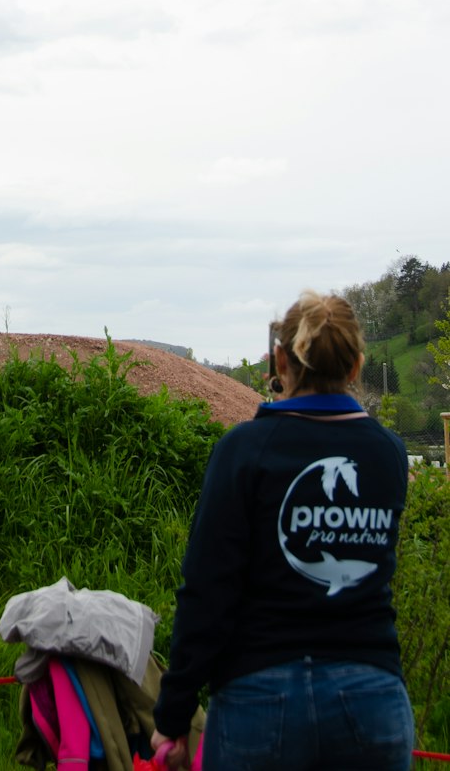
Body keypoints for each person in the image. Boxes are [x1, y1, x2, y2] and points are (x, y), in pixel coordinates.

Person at [151, 289, 414, 771]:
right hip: (372, 697)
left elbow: (207, 592)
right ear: (356, 367)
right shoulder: (388, 454)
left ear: (279, 361)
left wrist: (173, 716)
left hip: (259, 697)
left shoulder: (245, 449)